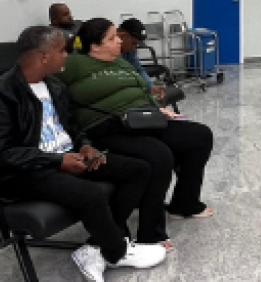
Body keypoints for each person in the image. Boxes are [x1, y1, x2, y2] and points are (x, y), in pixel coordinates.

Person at [0, 25, 166, 282]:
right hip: (26, 171)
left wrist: (85, 145)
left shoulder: (54, 85)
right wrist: (56, 161)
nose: (67, 55)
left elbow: (72, 126)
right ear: (44, 56)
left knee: (138, 170)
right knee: (92, 194)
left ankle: (96, 247)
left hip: (65, 156)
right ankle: (115, 251)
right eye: (62, 51)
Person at [61, 18, 214, 237]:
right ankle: (150, 233)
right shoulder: (75, 64)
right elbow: (48, 87)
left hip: (140, 120)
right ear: (95, 46)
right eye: (112, 38)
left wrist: (157, 108)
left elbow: (142, 89)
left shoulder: (121, 62)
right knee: (159, 155)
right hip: (106, 127)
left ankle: (184, 204)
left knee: (200, 136)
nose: (118, 41)